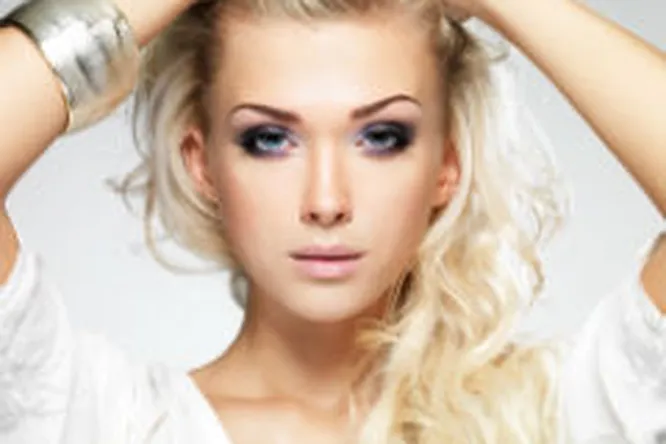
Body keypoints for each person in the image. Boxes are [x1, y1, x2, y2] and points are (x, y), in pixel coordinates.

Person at [0, 0, 664, 442]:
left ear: (447, 164)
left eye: (381, 137)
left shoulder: (553, 417)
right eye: (269, 139)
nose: (325, 200)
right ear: (202, 165)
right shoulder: (100, 419)